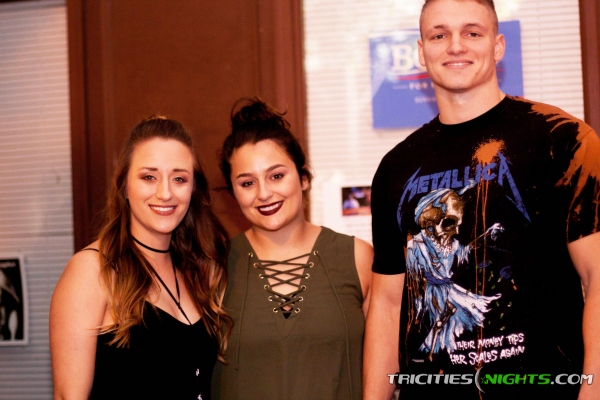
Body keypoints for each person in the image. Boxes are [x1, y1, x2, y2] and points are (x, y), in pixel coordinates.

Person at [363, 0, 600, 399]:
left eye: (472, 32)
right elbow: (387, 307)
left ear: (498, 45)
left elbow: (597, 277)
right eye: (439, 35)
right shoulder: (396, 167)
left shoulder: (562, 139)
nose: (456, 45)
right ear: (421, 51)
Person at [50, 116, 231, 400]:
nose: (165, 193)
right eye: (149, 177)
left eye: (179, 178)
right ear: (124, 186)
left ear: (193, 188)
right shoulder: (93, 270)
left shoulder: (197, 270)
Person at [211, 98, 373, 400]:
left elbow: (384, 363)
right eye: (247, 183)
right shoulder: (214, 266)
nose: (264, 193)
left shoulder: (357, 257)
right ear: (233, 193)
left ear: (304, 178)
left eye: (276, 176)